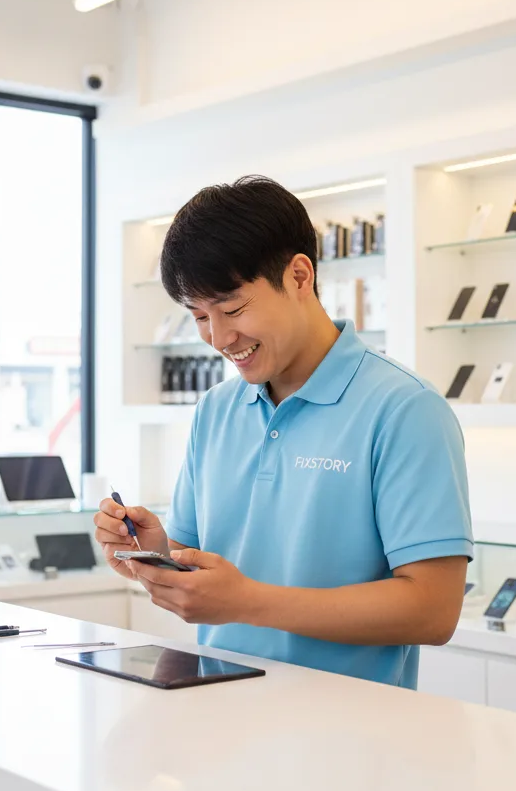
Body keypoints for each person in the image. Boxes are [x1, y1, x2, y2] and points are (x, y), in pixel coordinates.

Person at [95, 176, 472, 688]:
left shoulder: (405, 409)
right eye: (199, 316)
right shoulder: (215, 409)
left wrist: (248, 601)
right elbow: (199, 562)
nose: (220, 338)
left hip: (352, 737)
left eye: (232, 309)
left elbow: (433, 610)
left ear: (298, 276)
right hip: (219, 711)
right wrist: (153, 555)